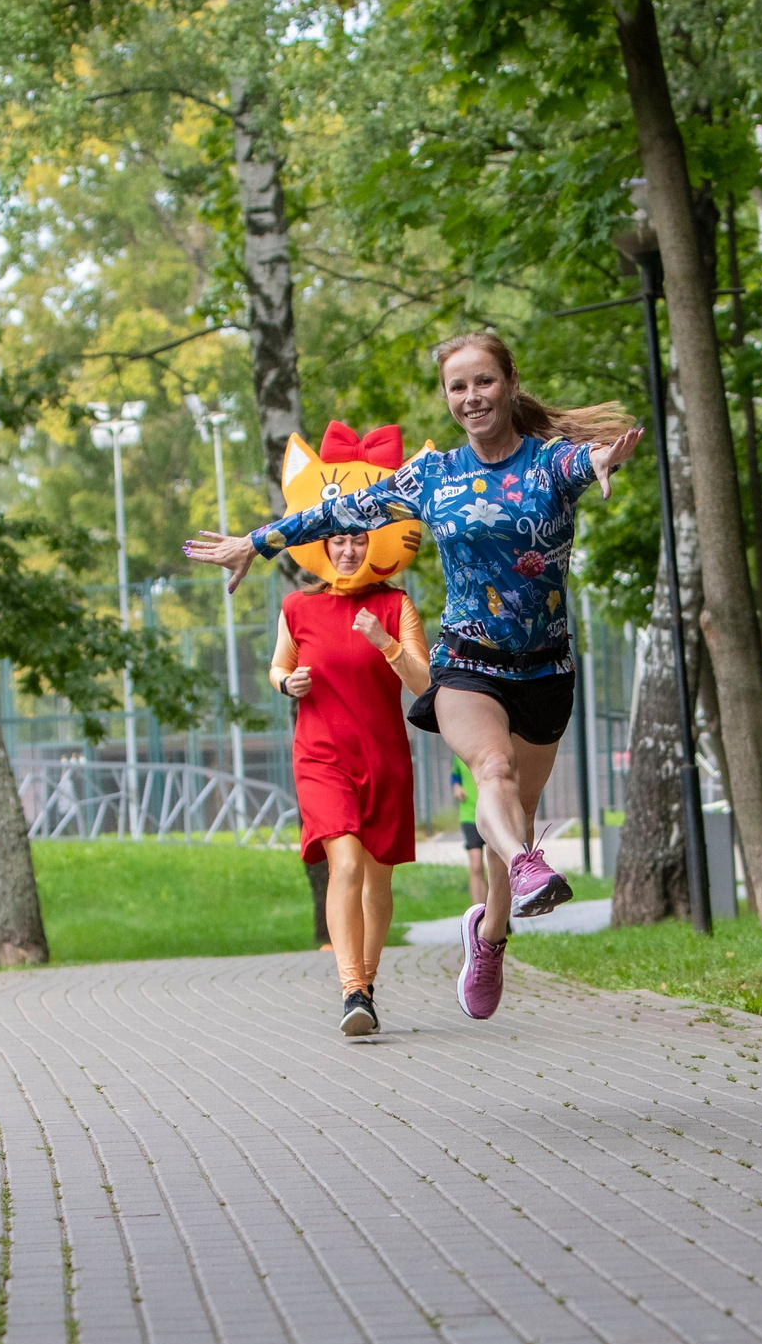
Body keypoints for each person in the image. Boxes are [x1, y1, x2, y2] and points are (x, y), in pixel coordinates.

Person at [186, 331, 641, 1023]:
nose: (471, 397)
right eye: (458, 387)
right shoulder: (434, 478)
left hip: (546, 668)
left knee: (510, 810)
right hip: (467, 662)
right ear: (447, 398)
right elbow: (339, 509)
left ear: (510, 383)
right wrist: (254, 541)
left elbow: (588, 458)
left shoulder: (551, 464)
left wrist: (605, 459)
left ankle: (489, 935)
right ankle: (526, 869)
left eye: (483, 382)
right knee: (492, 770)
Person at [271, 529, 427, 1036]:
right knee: (345, 862)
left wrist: (384, 642)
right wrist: (285, 683)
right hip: (320, 756)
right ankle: (351, 989)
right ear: (322, 547)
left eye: (359, 540)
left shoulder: (395, 604)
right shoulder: (297, 607)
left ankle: (367, 985)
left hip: (383, 759)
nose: (348, 550)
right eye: (338, 541)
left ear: (375, 545)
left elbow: (424, 683)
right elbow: (279, 665)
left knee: (378, 877)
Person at [451, 757, 486, 906]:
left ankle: (499, 916)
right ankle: (478, 912)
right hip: (469, 813)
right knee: (476, 865)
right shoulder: (459, 750)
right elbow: (455, 775)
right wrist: (456, 787)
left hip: (492, 813)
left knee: (497, 866)